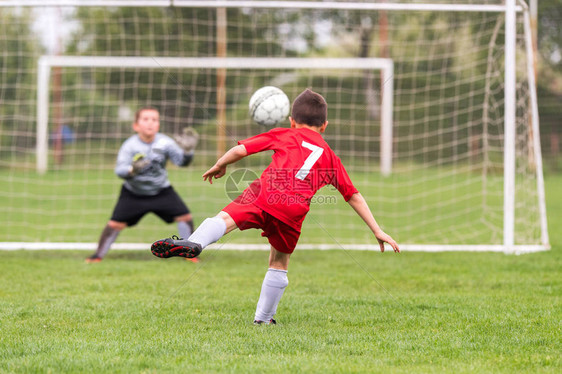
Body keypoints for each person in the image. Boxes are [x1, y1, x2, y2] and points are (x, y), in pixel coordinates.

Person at [151, 89, 400, 324]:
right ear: (325, 126)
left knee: (225, 219)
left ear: (292, 121)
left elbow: (241, 149)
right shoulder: (330, 156)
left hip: (264, 194)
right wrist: (377, 229)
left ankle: (196, 242)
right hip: (294, 211)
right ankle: (263, 319)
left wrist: (220, 164)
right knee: (279, 261)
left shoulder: (284, 134)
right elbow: (353, 195)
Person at [86, 106, 199, 263]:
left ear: (158, 125)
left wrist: (187, 152)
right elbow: (119, 171)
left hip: (161, 191)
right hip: (134, 193)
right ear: (136, 125)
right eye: (145, 119)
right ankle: (97, 256)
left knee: (185, 217)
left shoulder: (166, 142)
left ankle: (189, 254)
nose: (150, 123)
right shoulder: (129, 145)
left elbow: (182, 163)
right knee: (115, 224)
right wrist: (132, 169)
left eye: (154, 120)